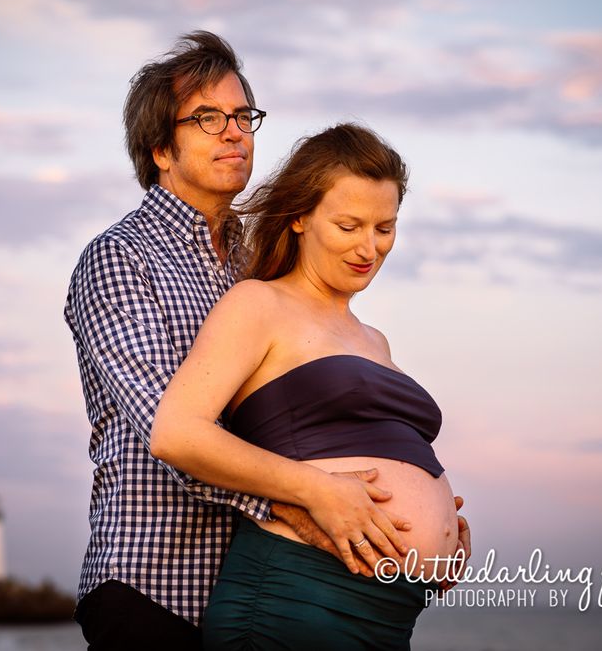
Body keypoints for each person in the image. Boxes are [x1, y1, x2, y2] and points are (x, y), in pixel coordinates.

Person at [64, 32, 447, 650]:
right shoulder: (120, 259)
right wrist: (318, 503)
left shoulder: (254, 267)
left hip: (259, 582)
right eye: (208, 119)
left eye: (243, 116)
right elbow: (172, 435)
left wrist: (414, 529)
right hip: (157, 587)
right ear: (161, 148)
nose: (235, 132)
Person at [150, 123, 462, 650]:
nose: (370, 247)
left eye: (385, 228)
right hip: (293, 600)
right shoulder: (259, 304)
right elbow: (176, 434)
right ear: (299, 217)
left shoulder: (375, 339)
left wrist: (440, 533)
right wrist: (320, 490)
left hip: (385, 616)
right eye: (348, 225)